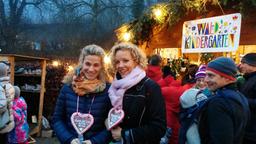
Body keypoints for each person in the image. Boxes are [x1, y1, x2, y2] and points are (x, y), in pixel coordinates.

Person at [52, 45, 112, 144]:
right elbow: (57, 119)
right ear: (82, 64)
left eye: (96, 65)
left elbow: (111, 124)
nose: (91, 69)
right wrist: (69, 139)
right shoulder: (67, 88)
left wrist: (94, 141)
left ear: (101, 67)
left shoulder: (108, 91)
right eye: (87, 64)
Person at [108, 42, 166, 143]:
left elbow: (158, 128)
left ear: (136, 61)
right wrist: (107, 121)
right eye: (117, 62)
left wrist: (125, 134)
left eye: (125, 61)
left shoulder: (150, 87)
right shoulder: (113, 87)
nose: (120, 65)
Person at [199, 57, 250, 144]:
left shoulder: (218, 102)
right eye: (206, 75)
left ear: (227, 78)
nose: (206, 80)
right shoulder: (240, 96)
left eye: (211, 75)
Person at [238, 53, 256, 144]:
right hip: (247, 129)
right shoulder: (248, 79)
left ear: (252, 64)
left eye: (243, 63)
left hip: (252, 132)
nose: (240, 66)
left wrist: (241, 100)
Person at [0, 62, 15, 144]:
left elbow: (2, 107)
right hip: (7, 120)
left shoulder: (0, 86)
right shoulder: (10, 85)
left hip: (1, 123)